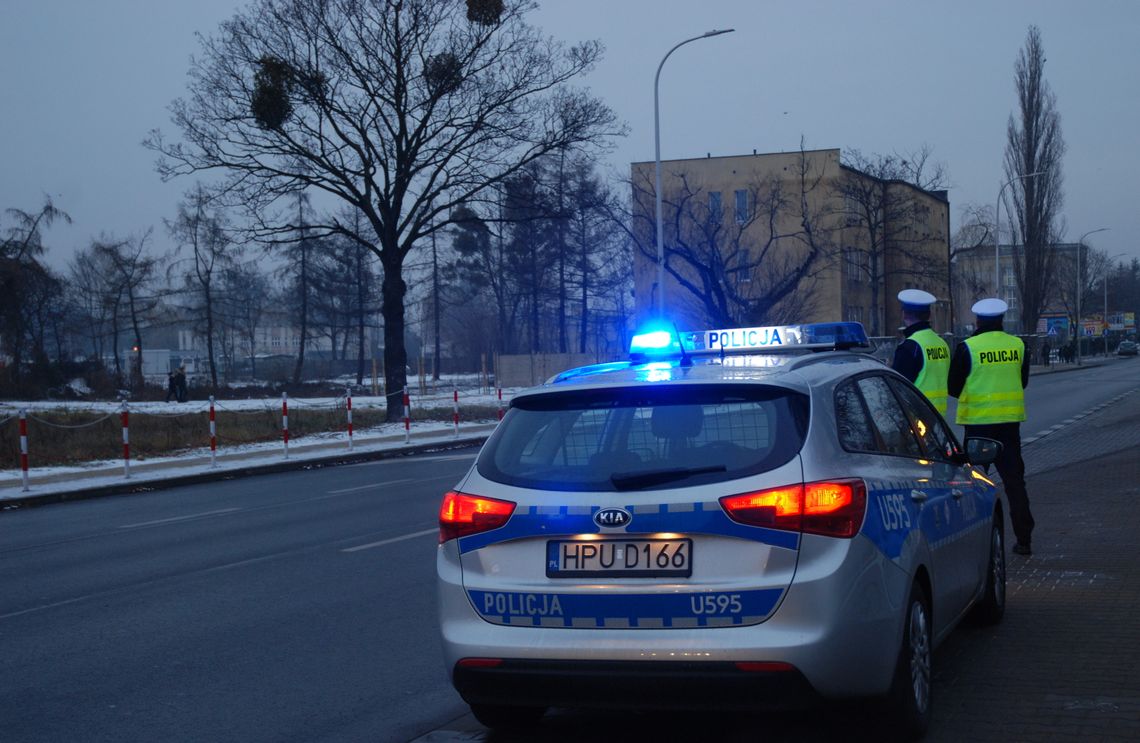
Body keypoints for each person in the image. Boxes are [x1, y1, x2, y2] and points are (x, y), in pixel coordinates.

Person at [948, 298, 1034, 555]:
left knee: (970, 484)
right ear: (1001, 319)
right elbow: (1023, 381)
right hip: (1009, 427)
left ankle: (969, 541)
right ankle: (1024, 539)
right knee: (1014, 483)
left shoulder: (967, 348)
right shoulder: (1018, 346)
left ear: (977, 320)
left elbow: (953, 387)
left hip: (977, 428)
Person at [891, 289, 950, 416]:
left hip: (916, 417)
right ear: (928, 315)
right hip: (939, 417)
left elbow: (897, 388)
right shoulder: (942, 343)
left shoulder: (910, 347)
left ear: (904, 315)